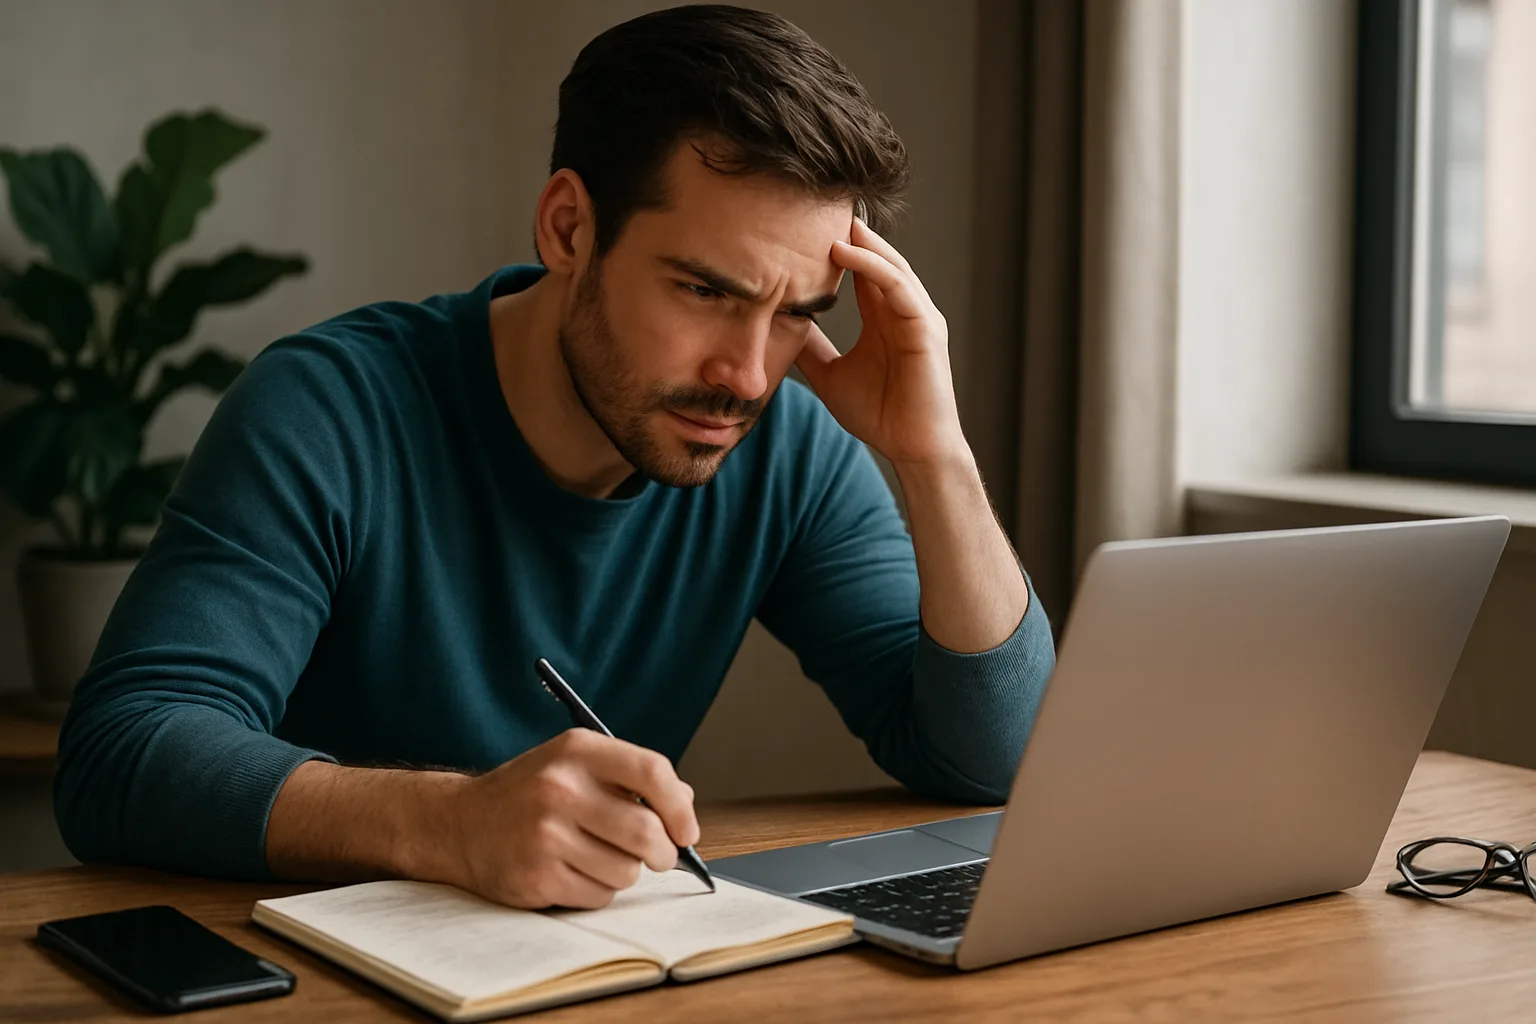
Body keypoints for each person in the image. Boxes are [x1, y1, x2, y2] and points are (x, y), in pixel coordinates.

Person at [54, 4, 1055, 910]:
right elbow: (122, 752)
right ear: (569, 227)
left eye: (796, 313)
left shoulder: (781, 445)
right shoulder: (328, 410)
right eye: (705, 291)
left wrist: (933, 457)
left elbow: (995, 762)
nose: (747, 374)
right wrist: (450, 821)